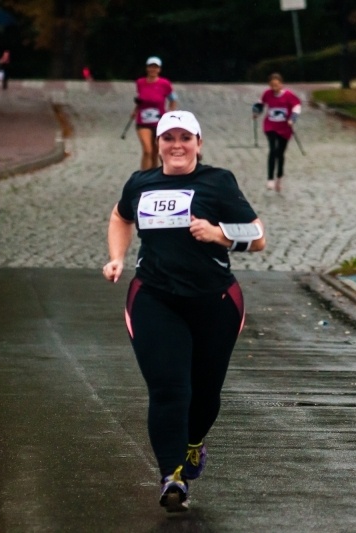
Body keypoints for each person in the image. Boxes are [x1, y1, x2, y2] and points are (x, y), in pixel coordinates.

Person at [102, 111, 266, 513]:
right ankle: (171, 475)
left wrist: (219, 234)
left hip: (216, 301)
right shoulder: (141, 183)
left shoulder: (218, 181)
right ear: (157, 144)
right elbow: (120, 217)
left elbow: (258, 236)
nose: (177, 145)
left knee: (205, 394)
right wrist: (117, 258)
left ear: (199, 142)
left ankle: (194, 445)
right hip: (155, 297)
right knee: (170, 388)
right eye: (168, 138)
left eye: (185, 138)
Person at [252, 73, 302, 192]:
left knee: (280, 153)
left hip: (284, 128)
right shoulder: (267, 94)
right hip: (271, 126)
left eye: (277, 85)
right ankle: (270, 178)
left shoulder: (289, 95)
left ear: (281, 84)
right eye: (272, 85)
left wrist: (292, 119)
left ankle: (279, 176)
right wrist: (256, 112)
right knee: (273, 150)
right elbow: (260, 104)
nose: (274, 88)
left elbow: (297, 106)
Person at [132, 56, 178, 170]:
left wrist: (170, 112)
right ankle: (143, 177)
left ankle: (153, 176)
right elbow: (141, 98)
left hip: (159, 122)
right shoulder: (140, 82)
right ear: (147, 68)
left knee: (156, 152)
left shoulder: (165, 84)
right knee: (147, 150)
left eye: (155, 67)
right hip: (142, 121)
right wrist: (135, 110)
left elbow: (173, 99)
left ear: (159, 69)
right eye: (151, 67)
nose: (153, 69)